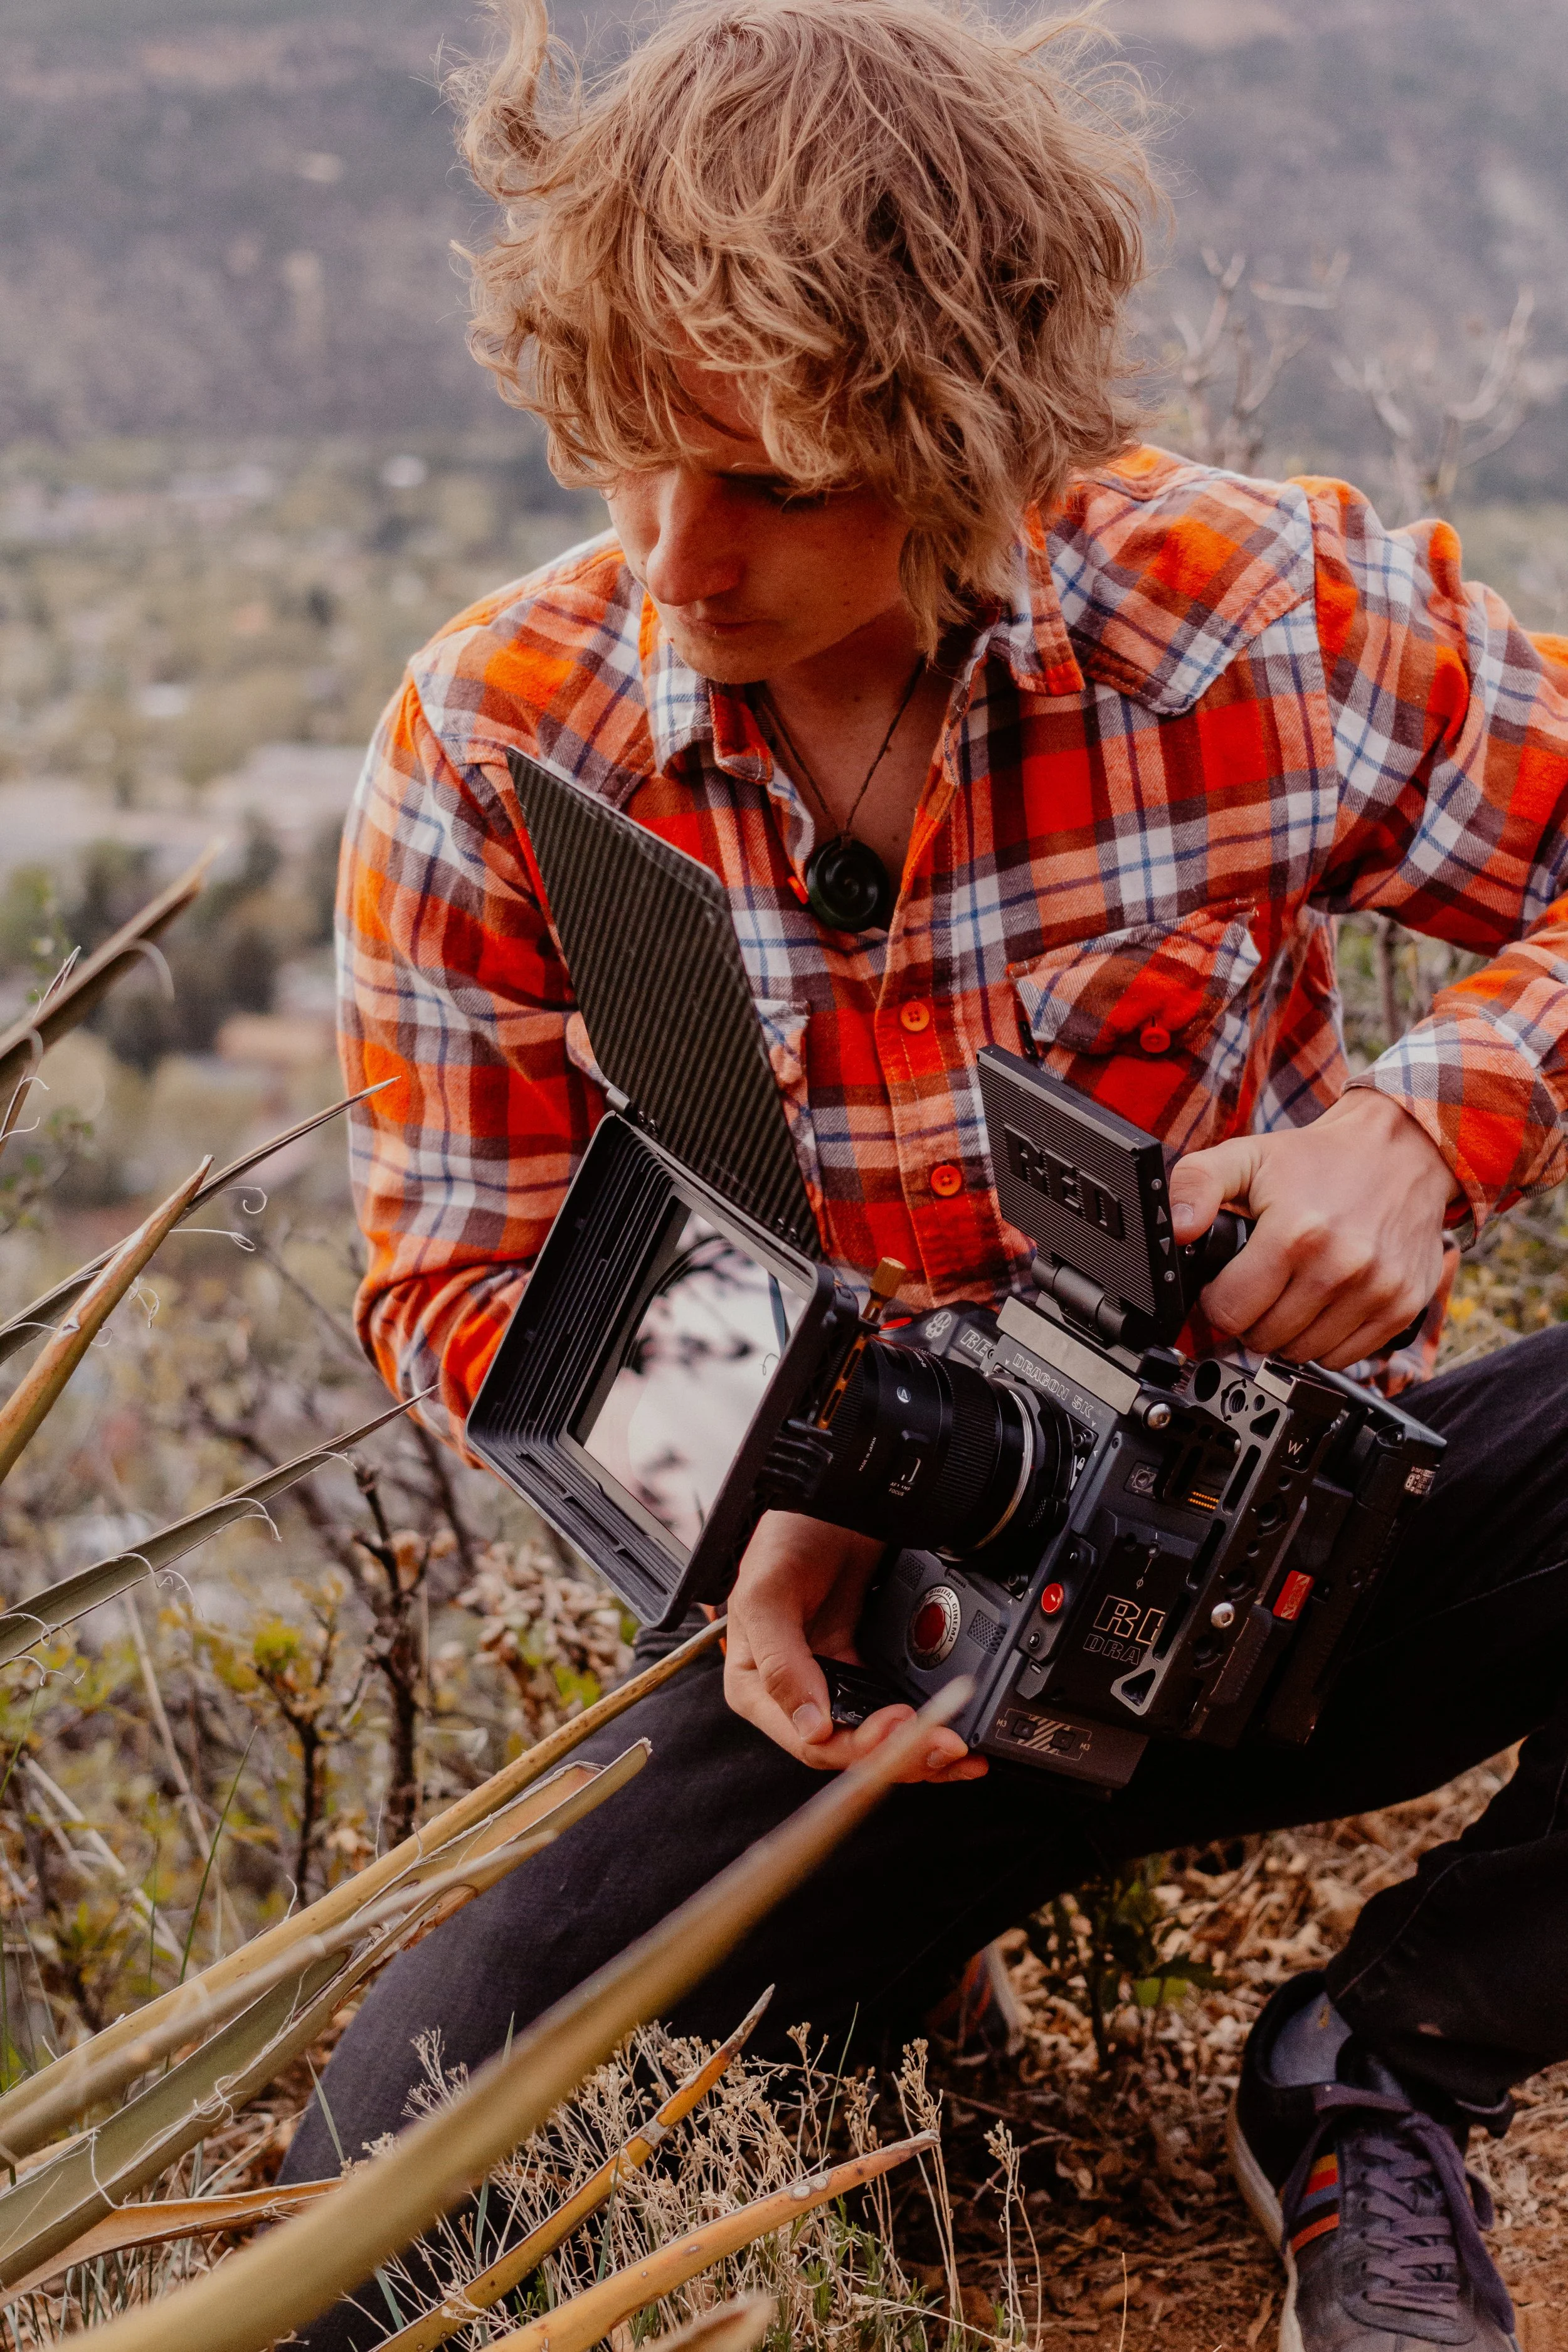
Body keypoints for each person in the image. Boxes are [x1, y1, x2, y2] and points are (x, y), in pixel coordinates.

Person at [286, 3, 1568, 2346]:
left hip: (1298, 1562)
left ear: (968, 434)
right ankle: (902, 2013)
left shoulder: (1242, 624)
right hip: (848, 1664)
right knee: (375, 2212)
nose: (677, 557)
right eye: (622, 458)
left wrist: (1424, 1119)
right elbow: (453, 1278)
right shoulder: (498, 749)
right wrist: (769, 1472)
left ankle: (1387, 2064)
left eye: (774, 479)